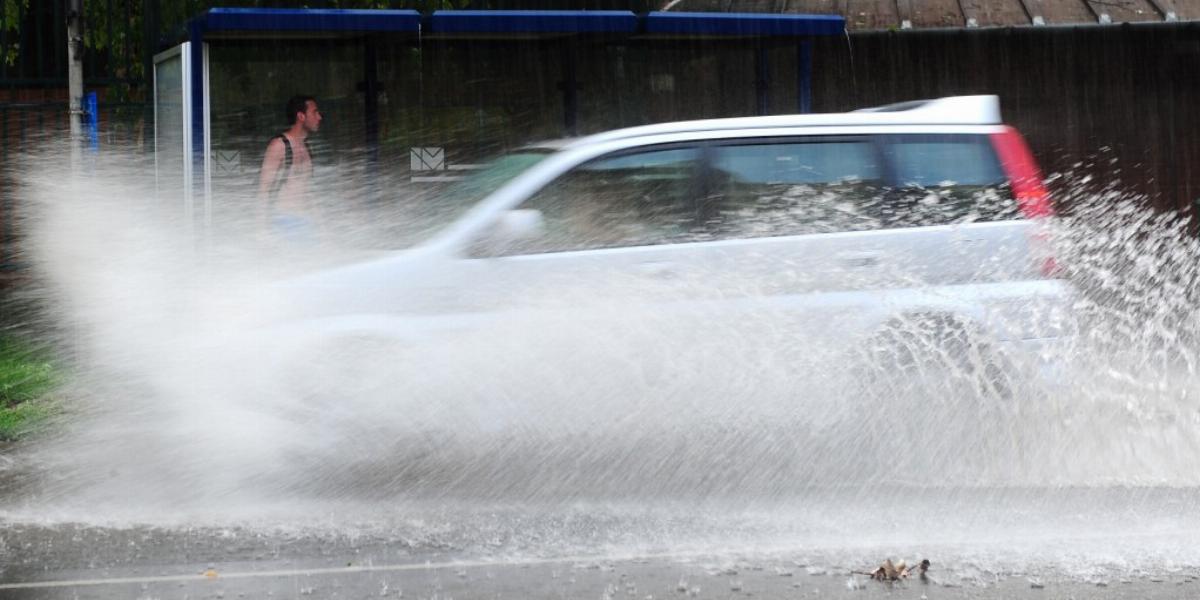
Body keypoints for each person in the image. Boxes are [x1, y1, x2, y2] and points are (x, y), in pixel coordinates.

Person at [257, 95, 322, 243]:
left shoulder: (307, 147)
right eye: (315, 112)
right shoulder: (279, 146)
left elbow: (309, 192)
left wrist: (321, 227)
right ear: (301, 116)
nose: (319, 117)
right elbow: (263, 190)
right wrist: (261, 230)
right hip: (283, 223)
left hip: (307, 223)